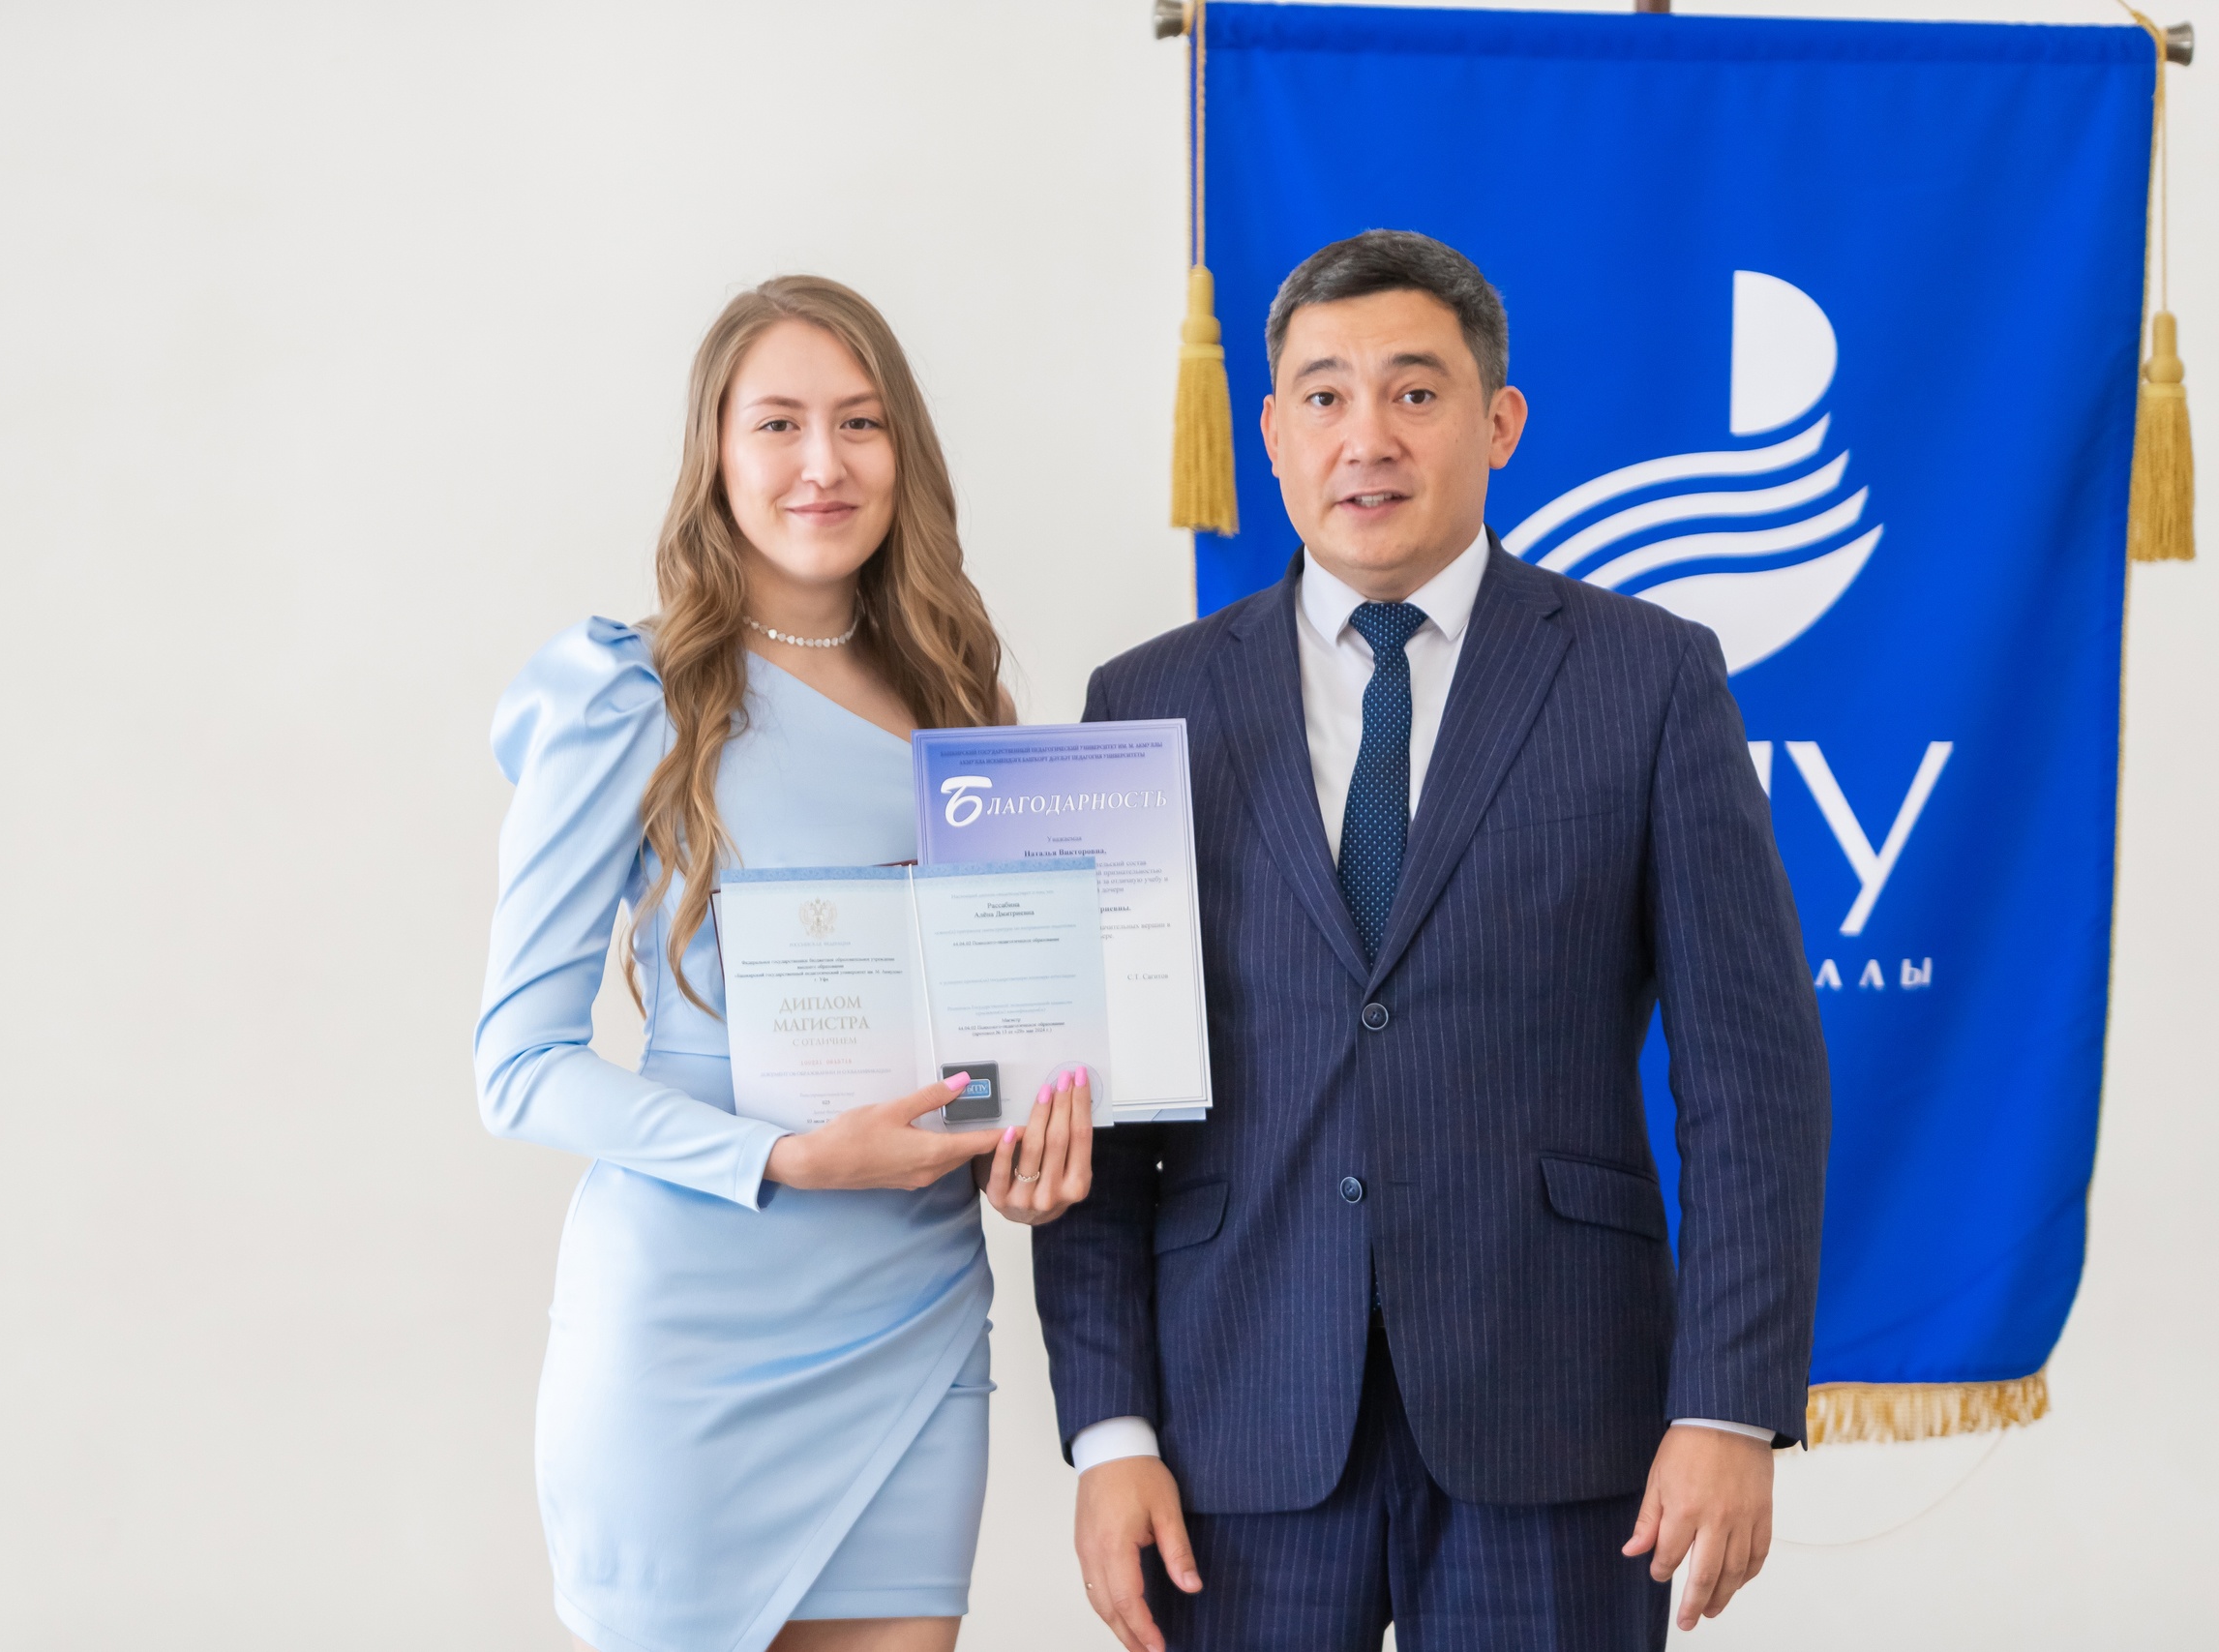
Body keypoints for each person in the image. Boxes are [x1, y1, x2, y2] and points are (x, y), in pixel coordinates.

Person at [1034, 230, 1830, 1652]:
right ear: (1271, 435)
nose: (1368, 438)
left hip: (1564, 1419)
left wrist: (1728, 1407)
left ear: (1499, 421)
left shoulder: (1648, 678)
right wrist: (1109, 1430)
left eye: (1415, 392)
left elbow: (1752, 1078)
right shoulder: (1146, 704)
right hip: (1235, 1430)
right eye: (1324, 396)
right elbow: (1092, 1111)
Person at [474, 275, 1097, 1652]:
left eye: (861, 423)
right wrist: (784, 1159)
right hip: (690, 1337)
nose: (824, 462)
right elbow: (518, 1069)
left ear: (905, 450)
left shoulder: (966, 702)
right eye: (778, 424)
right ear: (715, 452)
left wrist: (1023, 1151)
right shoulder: (627, 695)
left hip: (913, 1315)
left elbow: (1000, 1038)